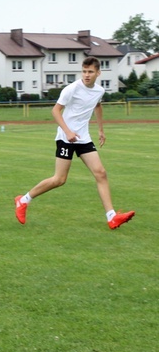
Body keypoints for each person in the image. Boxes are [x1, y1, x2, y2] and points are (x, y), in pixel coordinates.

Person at [15, 56, 135, 230]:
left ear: (98, 73)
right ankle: (23, 200)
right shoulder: (71, 89)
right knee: (59, 179)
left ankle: (112, 217)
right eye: (84, 71)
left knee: (100, 173)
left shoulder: (99, 91)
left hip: (83, 138)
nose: (86, 75)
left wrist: (101, 130)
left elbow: (98, 106)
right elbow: (55, 111)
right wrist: (68, 131)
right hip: (65, 137)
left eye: (90, 72)